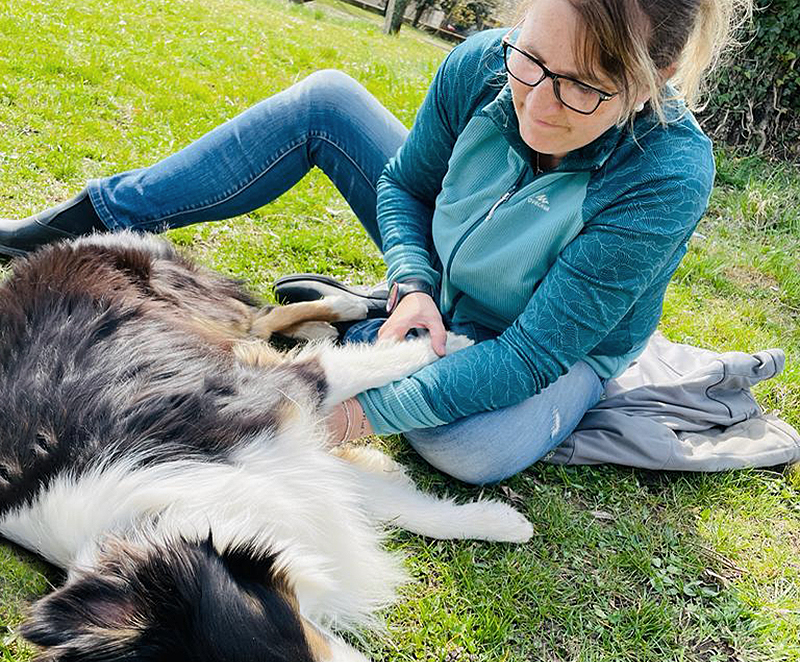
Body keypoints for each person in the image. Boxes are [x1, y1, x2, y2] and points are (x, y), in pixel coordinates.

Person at [0, 0, 752, 484]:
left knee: (468, 449)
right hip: (448, 265)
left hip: (538, 335)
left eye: (582, 86)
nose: (536, 102)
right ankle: (89, 217)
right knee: (326, 101)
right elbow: (404, 186)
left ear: (656, 77)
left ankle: (368, 324)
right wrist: (414, 279)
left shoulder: (668, 171)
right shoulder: (485, 64)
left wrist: (349, 416)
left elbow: (529, 355)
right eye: (530, 60)